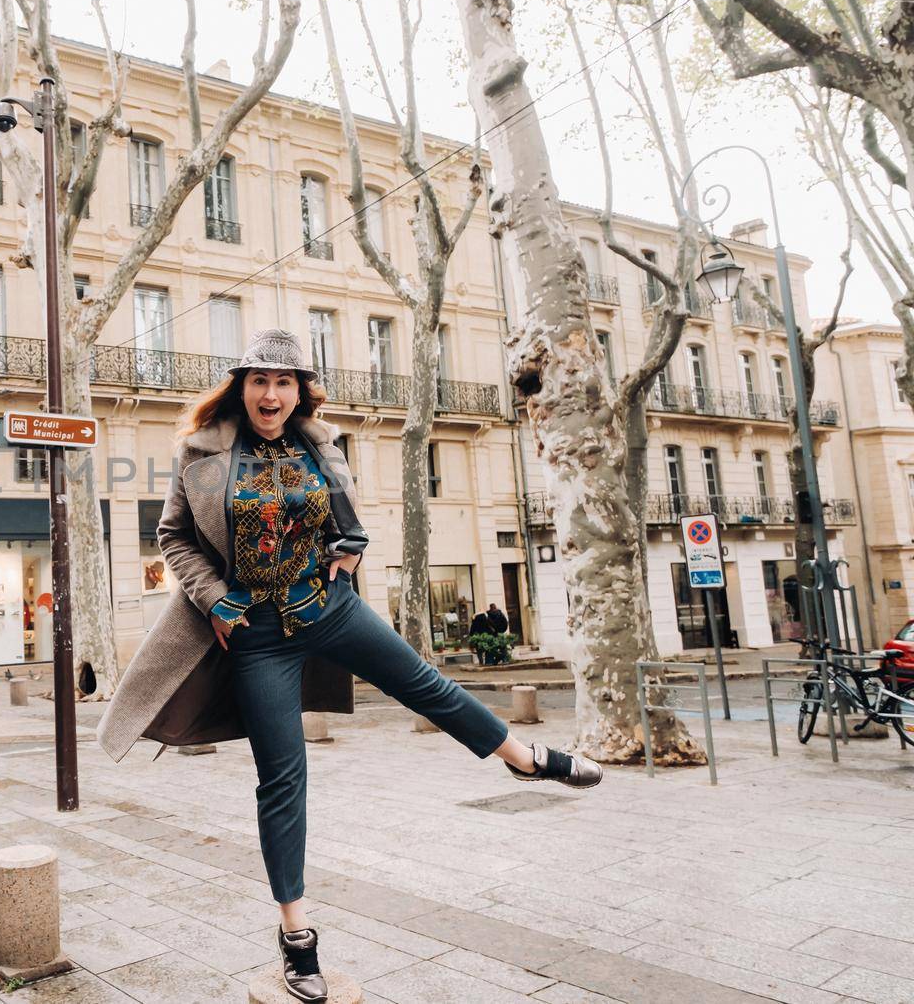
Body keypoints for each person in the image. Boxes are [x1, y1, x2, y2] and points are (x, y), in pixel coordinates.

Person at [95, 329, 602, 1004]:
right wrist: (214, 599)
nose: (271, 394)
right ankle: (296, 938)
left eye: (285, 382)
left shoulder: (320, 441)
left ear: (299, 390)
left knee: (426, 683)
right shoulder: (203, 451)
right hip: (257, 634)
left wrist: (352, 546)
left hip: (327, 605)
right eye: (260, 380)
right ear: (241, 385)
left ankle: (524, 754)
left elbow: (347, 516)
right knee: (282, 778)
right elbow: (174, 537)